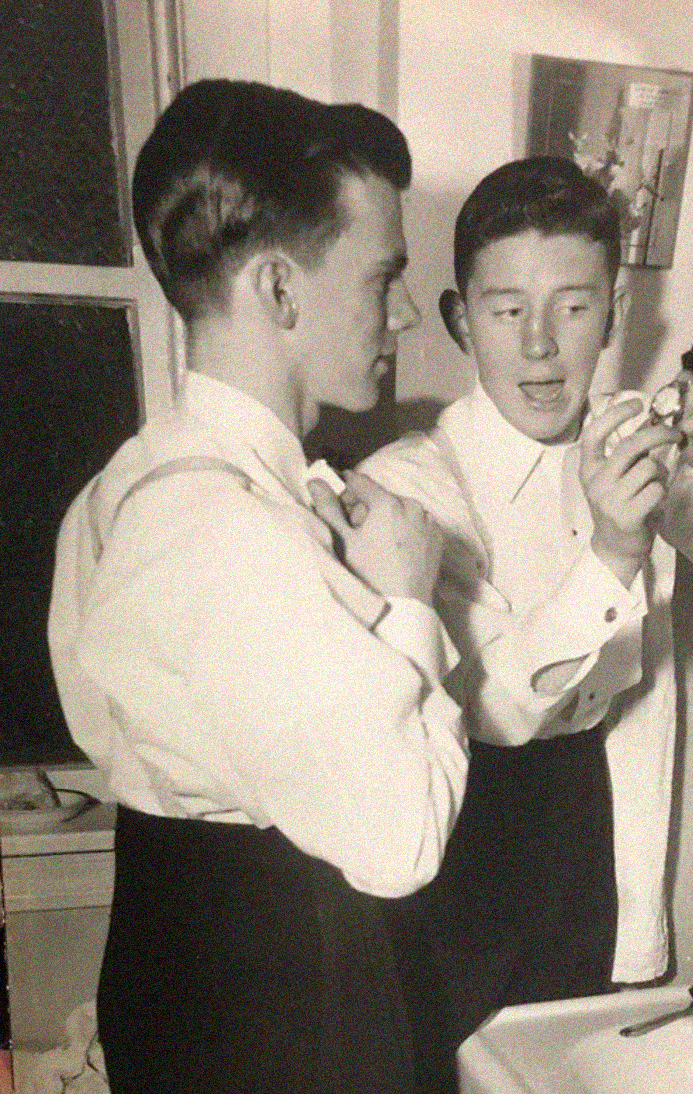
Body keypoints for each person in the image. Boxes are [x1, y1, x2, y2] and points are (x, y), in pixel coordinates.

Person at [360, 155, 693, 1091]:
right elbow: (496, 710)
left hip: (599, 867)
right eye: (506, 310)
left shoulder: (633, 443)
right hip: (453, 868)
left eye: (573, 306)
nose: (540, 346)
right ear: (461, 318)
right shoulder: (410, 485)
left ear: (617, 308)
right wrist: (616, 556)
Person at [47, 78, 469, 1094]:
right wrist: (408, 600)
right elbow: (402, 839)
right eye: (384, 277)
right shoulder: (237, 535)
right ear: (279, 290)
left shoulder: (122, 488)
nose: (407, 312)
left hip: (171, 950)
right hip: (280, 992)